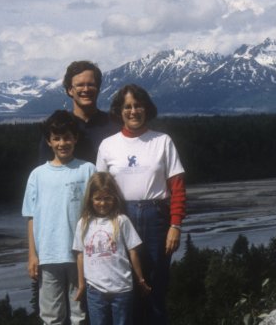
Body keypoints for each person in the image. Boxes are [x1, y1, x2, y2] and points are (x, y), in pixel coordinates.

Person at [96, 84, 186, 325]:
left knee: (156, 288)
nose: (133, 111)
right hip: (120, 218)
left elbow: (177, 188)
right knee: (126, 288)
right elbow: (99, 191)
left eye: (138, 105)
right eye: (127, 107)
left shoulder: (162, 141)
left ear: (147, 109)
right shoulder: (108, 145)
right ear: (119, 111)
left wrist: (175, 225)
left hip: (157, 218)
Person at [23, 110, 97, 325]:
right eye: (56, 138)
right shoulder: (37, 175)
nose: (62, 143)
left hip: (81, 255)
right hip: (48, 255)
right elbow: (30, 217)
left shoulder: (88, 170)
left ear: (76, 138)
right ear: (48, 141)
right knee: (51, 316)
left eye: (67, 137)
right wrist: (32, 255)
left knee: (80, 315)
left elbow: (98, 211)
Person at [73, 172, 151, 325]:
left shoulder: (121, 221)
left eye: (107, 198)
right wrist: (81, 284)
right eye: (98, 198)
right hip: (95, 290)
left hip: (122, 289)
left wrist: (140, 279)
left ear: (114, 198)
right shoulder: (83, 224)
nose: (102, 203)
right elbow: (80, 256)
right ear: (90, 199)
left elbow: (133, 252)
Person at [38, 61, 120, 165]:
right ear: (70, 90)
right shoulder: (56, 127)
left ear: (98, 88)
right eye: (80, 85)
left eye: (91, 84)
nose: (86, 89)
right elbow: (44, 171)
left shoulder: (114, 125)